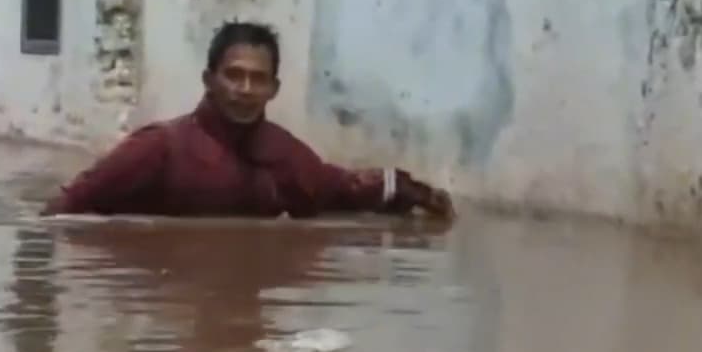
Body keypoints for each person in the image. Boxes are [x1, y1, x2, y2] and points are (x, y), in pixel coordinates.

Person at [41, 21, 455, 219]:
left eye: (258, 79)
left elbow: (339, 188)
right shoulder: (160, 148)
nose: (244, 89)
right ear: (209, 80)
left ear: (274, 89)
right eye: (233, 75)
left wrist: (406, 189)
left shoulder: (285, 155)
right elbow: (66, 209)